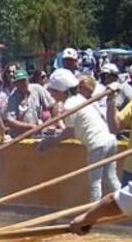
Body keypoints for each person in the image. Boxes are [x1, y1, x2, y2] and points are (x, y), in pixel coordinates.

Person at [40, 71, 120, 202]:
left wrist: (50, 142)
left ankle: (93, 213)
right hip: (110, 140)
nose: (51, 94)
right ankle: (127, 206)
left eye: (53, 91)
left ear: (61, 91)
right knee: (111, 178)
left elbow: (70, 132)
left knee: (95, 182)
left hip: (97, 144)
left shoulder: (69, 105)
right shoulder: (80, 100)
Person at [5, 69, 55, 135]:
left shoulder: (37, 89)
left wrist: (52, 123)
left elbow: (52, 105)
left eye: (23, 80)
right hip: (20, 136)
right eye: (19, 82)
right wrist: (30, 127)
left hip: (38, 133)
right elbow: (10, 121)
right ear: (15, 84)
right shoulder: (12, 97)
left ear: (28, 80)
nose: (22, 83)